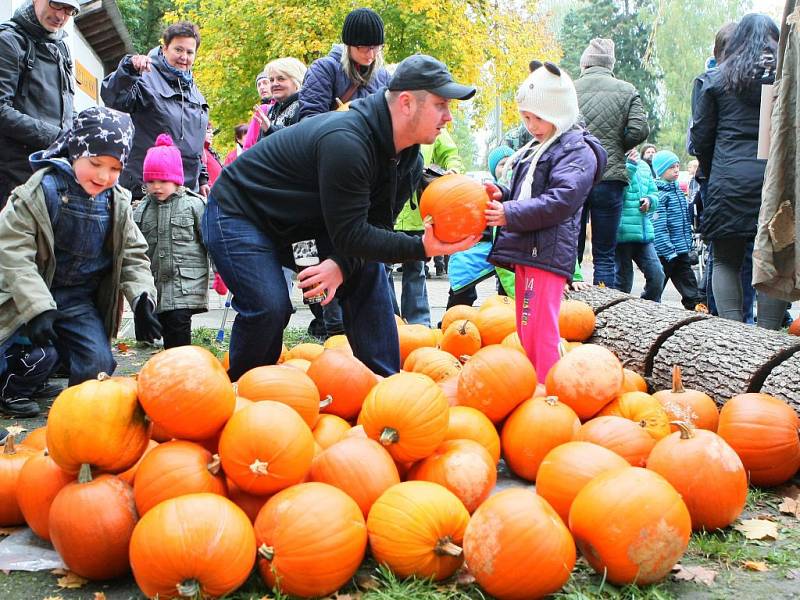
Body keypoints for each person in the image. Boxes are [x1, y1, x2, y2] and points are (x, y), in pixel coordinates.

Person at [203, 54, 480, 380]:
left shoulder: (408, 161)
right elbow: (353, 236)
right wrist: (423, 247)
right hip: (238, 210)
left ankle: (385, 386)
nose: (448, 117)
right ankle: (246, 391)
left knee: (369, 272)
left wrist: (340, 265)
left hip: (296, 223)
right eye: (441, 105)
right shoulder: (346, 142)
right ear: (406, 103)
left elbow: (373, 230)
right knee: (270, 306)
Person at [0, 106, 161, 387]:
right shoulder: (38, 191)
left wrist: (142, 298)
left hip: (77, 299)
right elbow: (14, 252)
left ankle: (76, 418)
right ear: (75, 151)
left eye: (115, 169)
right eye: (96, 163)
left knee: (96, 364)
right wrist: (37, 306)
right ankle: (11, 387)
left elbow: (133, 254)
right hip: (24, 291)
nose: (103, 176)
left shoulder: (118, 202)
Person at [486, 61, 607, 379]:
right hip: (528, 245)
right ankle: (537, 381)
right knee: (526, 325)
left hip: (548, 252)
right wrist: (500, 194)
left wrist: (509, 214)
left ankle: (549, 389)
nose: (530, 125)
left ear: (559, 113)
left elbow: (560, 201)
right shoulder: (538, 148)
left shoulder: (576, 152)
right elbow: (523, 192)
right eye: (526, 117)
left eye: (537, 117)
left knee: (541, 326)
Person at [690, 14, 787, 329]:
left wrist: (711, 171)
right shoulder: (786, 80)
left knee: (727, 260)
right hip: (775, 182)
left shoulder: (713, 80)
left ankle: (733, 334)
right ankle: (769, 338)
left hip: (727, 181)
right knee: (772, 261)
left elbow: (701, 140)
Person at [101, 21, 210, 200]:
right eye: (178, 50)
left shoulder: (194, 91)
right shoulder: (145, 77)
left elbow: (195, 143)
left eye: (190, 52)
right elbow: (113, 99)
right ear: (165, 48)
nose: (184, 57)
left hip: (185, 192)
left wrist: (203, 178)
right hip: (145, 189)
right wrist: (128, 70)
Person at [574, 38, 650, 287]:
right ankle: (601, 310)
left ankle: (567, 306)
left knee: (569, 249)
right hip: (610, 177)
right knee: (605, 255)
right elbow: (639, 129)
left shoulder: (570, 89)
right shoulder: (626, 89)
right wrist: (618, 147)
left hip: (574, 176)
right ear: (610, 64)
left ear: (585, 63)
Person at [0, 0, 78, 208]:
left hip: (54, 173)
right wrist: (58, 137)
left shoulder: (61, 47)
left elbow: (67, 110)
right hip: (14, 177)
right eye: (56, 5)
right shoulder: (8, 41)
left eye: (69, 10)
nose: (61, 16)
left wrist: (84, 131)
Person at [134, 134, 208, 349]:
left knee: (177, 326)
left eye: (163, 181)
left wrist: (222, 275)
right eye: (151, 181)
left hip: (185, 284)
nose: (157, 187)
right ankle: (166, 369)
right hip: (155, 285)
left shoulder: (194, 205)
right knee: (159, 327)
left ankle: (182, 368)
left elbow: (211, 240)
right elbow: (134, 249)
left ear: (177, 180)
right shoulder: (142, 210)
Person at [392, 129, 464, 326]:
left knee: (416, 268)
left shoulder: (431, 127)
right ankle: (389, 320)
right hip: (388, 212)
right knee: (381, 270)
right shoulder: (389, 122)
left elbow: (451, 154)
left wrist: (453, 170)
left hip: (419, 213)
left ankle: (417, 324)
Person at [298, 7, 391, 119]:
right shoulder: (323, 70)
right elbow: (310, 121)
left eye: (376, 47)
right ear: (348, 45)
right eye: (363, 48)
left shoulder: (383, 76)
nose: (371, 55)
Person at [651, 151, 705, 311]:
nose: (676, 170)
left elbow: (685, 220)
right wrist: (668, 249)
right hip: (667, 252)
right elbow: (659, 225)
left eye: (677, 166)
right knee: (658, 283)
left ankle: (696, 307)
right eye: (671, 168)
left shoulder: (678, 192)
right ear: (660, 171)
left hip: (681, 250)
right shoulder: (660, 195)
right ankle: (649, 306)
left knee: (689, 282)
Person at [614, 148, 664, 301]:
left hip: (643, 234)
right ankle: (618, 315)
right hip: (621, 235)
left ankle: (648, 311)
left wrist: (650, 200)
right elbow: (614, 194)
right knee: (623, 283)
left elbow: (654, 193)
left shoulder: (644, 166)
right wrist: (629, 166)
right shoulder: (614, 161)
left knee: (657, 276)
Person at [0, 335, 59, 416]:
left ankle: (34, 385)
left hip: (26, 342)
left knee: (60, 348)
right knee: (44, 354)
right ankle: (11, 394)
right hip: (8, 347)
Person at [252, 57, 307, 139]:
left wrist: (271, 130)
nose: (274, 84)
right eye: (271, 80)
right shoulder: (271, 112)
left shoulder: (305, 107)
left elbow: (301, 139)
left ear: (297, 81)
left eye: (281, 79)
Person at [242, 69, 275, 151]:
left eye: (265, 83)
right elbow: (249, 143)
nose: (262, 87)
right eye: (259, 85)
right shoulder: (262, 110)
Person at [202, 123, 223, 187]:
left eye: (211, 133)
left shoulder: (209, 151)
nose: (211, 135)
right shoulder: (201, 151)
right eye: (208, 132)